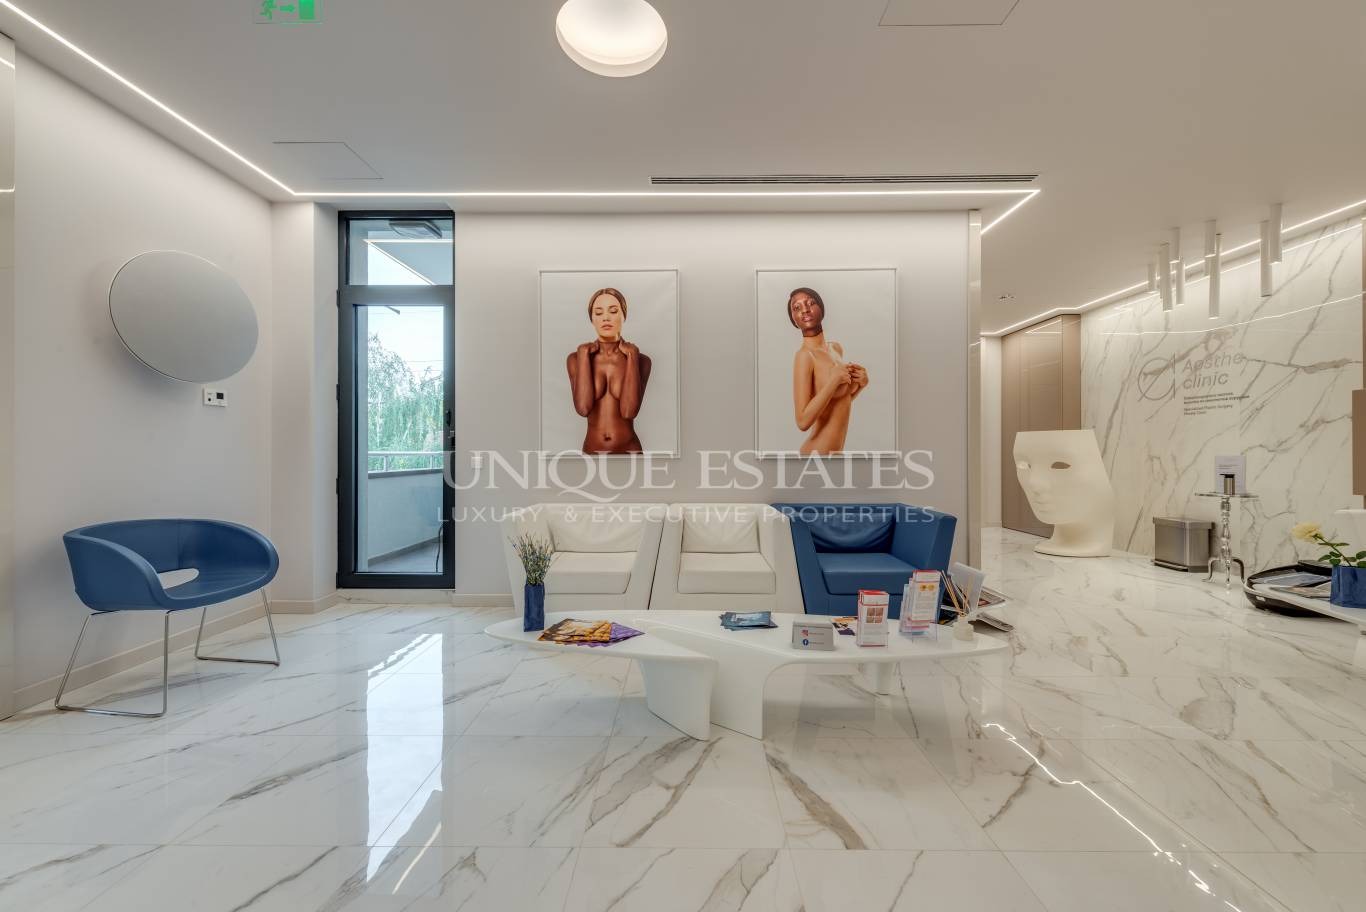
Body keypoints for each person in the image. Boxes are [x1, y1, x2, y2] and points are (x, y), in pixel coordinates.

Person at [567, 288, 652, 454]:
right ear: (592, 319)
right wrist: (583, 355)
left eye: (613, 311)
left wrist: (632, 356)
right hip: (592, 452)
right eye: (598, 313)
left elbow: (629, 411)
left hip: (630, 452)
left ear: (623, 315)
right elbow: (583, 408)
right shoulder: (576, 359)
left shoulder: (642, 360)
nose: (606, 317)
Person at [788, 287, 868, 455]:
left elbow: (838, 403)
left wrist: (861, 385)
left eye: (811, 303)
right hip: (815, 456)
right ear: (794, 320)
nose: (805, 310)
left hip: (834, 457)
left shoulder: (835, 349)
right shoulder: (805, 356)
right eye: (796, 307)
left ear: (821, 309)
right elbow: (802, 422)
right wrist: (833, 381)